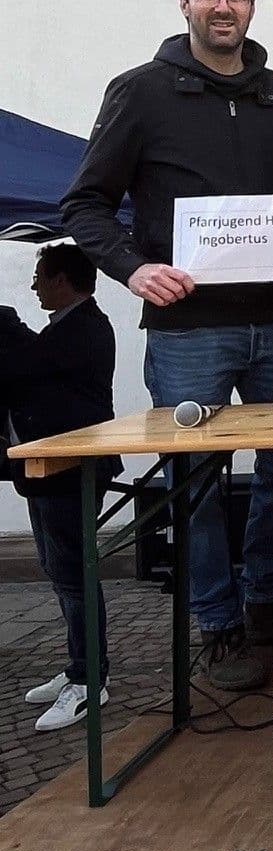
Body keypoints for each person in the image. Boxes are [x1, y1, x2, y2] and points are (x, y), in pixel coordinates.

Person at [61, 0, 273, 692]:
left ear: (251, 6)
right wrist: (133, 268)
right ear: (184, 2)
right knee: (196, 484)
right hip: (189, 331)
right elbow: (84, 205)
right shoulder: (140, 92)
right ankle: (217, 624)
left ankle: (271, 600)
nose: (224, 6)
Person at [0, 246, 120, 732]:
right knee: (60, 570)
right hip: (47, 471)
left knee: (74, 575)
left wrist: (3, 320)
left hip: (73, 472)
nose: (33, 287)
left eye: (39, 277)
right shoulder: (65, 329)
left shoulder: (83, 328)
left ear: (62, 280)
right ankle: (78, 667)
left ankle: (91, 679)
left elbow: (24, 366)